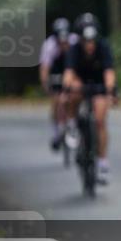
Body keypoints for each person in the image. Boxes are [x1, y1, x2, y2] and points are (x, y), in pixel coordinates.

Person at [63, 13, 117, 184]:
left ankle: (102, 162)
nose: (89, 45)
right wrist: (66, 88)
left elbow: (109, 72)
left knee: (100, 120)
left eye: (92, 40)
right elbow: (69, 73)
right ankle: (72, 124)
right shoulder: (74, 50)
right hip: (80, 82)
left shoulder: (103, 47)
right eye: (86, 41)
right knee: (73, 93)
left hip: (99, 83)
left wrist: (111, 91)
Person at [40, 17, 73, 150]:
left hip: (71, 70)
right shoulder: (49, 46)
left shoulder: (75, 41)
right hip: (55, 72)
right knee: (56, 101)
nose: (63, 43)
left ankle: (73, 122)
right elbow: (45, 69)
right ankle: (56, 131)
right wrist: (46, 83)